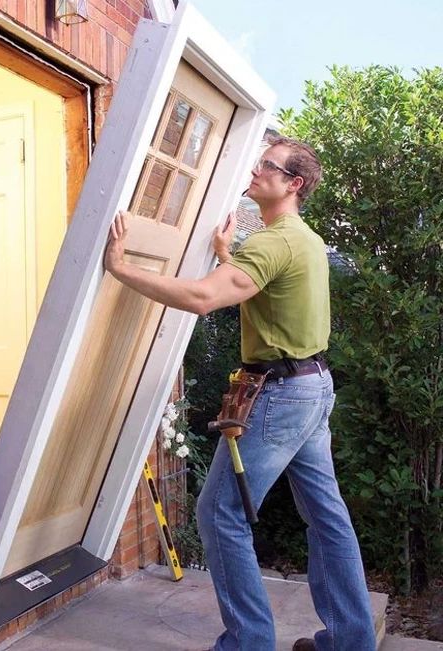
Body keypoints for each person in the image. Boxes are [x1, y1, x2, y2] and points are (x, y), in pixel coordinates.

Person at [104, 135, 376, 651]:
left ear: (293, 183)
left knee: (218, 513)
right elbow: (265, 292)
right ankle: (350, 641)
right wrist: (230, 253)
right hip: (313, 388)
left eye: (267, 167)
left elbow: (206, 298)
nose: (255, 172)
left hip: (281, 398)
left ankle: (248, 643)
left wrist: (121, 268)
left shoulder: (274, 243)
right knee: (326, 517)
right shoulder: (302, 239)